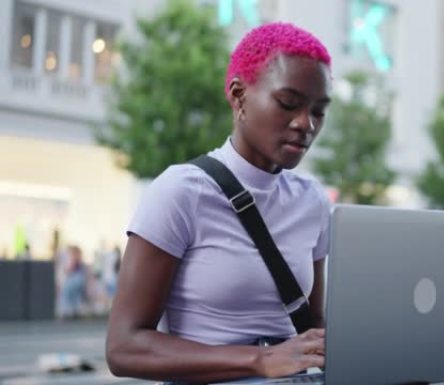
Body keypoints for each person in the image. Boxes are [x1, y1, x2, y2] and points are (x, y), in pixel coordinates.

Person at [106, 22, 333, 384]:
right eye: (288, 103)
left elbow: (314, 325)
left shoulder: (312, 202)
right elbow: (124, 348)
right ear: (239, 95)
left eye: (319, 111)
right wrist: (258, 360)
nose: (305, 123)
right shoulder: (181, 192)